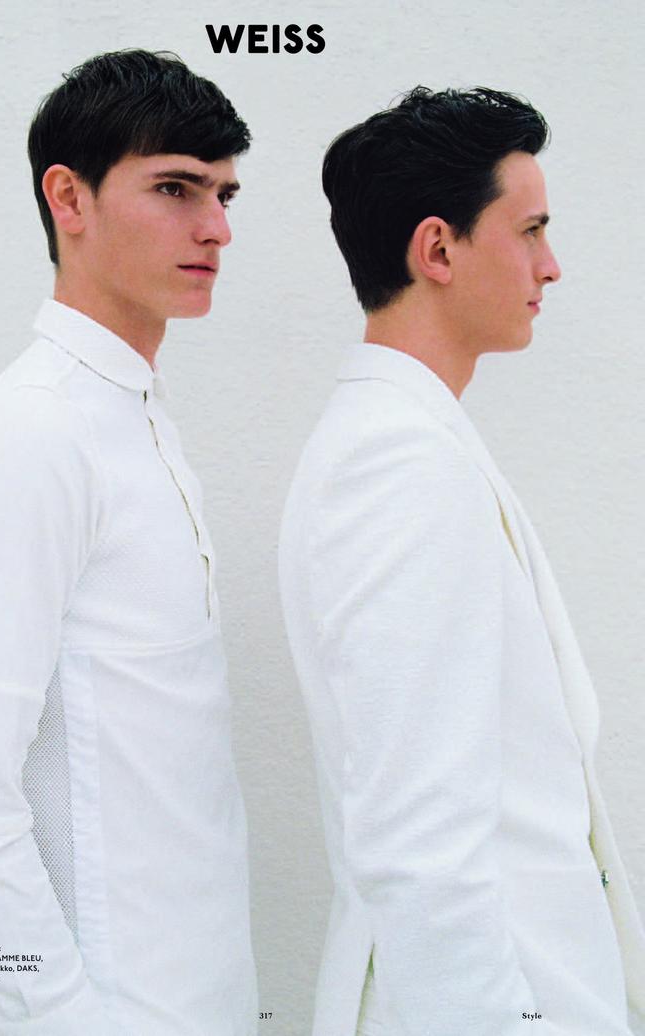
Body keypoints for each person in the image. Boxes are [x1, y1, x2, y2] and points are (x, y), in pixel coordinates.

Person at [278, 87, 645, 1036]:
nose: (551, 265)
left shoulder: (411, 439)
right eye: (530, 231)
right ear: (437, 250)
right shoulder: (396, 463)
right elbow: (417, 839)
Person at [0, 49, 257, 1036]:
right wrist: (62, 1017)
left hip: (200, 996)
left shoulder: (136, 418)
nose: (216, 227)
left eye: (223, 194)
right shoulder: (33, 430)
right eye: (176, 188)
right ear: (68, 197)